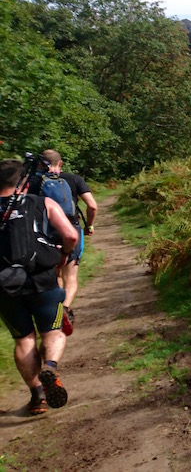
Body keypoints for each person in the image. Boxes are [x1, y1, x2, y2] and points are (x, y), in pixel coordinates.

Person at [0, 158, 79, 415]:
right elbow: (70, 235)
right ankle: (51, 366)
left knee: (23, 339)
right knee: (53, 329)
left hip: (5, 286)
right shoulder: (41, 202)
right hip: (43, 279)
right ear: (23, 179)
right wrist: (63, 255)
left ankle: (37, 396)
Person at [39, 150, 97, 330]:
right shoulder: (73, 179)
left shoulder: (36, 182)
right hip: (71, 229)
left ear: (41, 164)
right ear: (60, 163)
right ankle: (65, 309)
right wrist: (89, 225)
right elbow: (92, 205)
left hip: (47, 232)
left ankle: (56, 311)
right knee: (71, 274)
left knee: (55, 273)